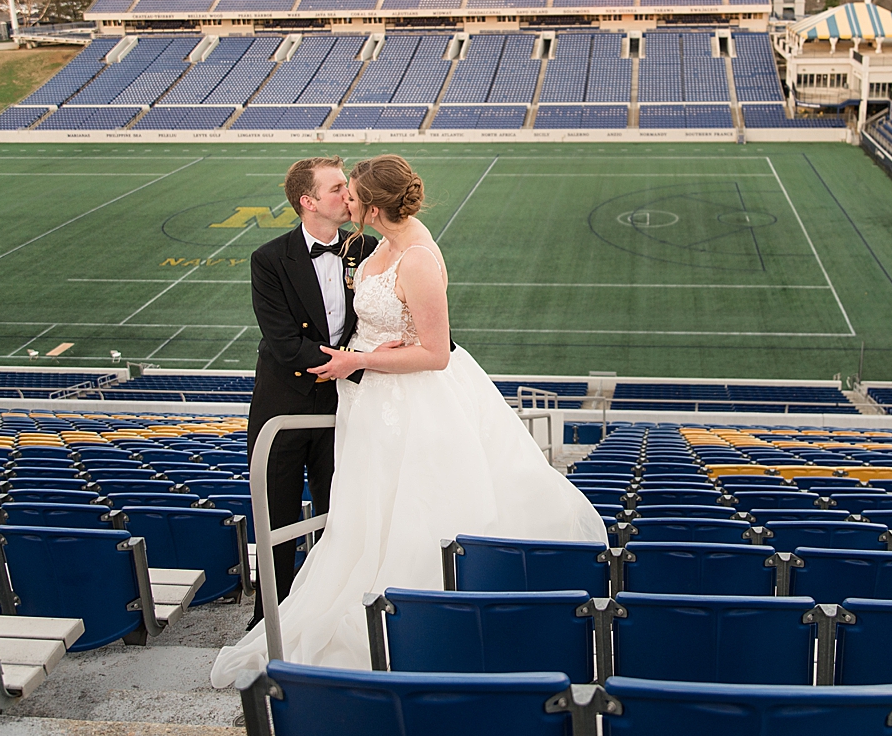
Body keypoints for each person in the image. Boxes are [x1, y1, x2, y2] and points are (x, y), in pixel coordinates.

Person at [212, 154, 605, 683]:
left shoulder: (403, 253)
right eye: (336, 190)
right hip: (344, 398)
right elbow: (299, 336)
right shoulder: (347, 249)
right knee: (352, 513)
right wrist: (369, 356)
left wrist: (366, 359)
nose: (345, 199)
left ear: (371, 207)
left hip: (394, 396)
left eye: (349, 192)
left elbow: (436, 348)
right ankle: (280, 611)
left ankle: (417, 619)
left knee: (410, 507)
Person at [244, 156, 377, 628]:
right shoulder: (269, 259)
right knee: (277, 520)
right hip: (283, 407)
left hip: (343, 404)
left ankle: (324, 617)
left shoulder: (368, 248)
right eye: (338, 187)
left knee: (336, 514)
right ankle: (268, 624)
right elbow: (283, 343)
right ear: (308, 201)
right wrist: (345, 367)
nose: (348, 193)